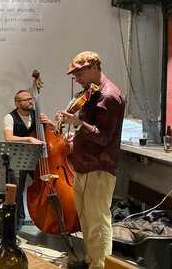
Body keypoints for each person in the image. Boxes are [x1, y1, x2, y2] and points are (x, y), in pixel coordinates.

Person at [56, 51, 125, 269]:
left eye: (79, 72)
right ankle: (91, 260)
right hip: (84, 164)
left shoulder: (110, 96)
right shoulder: (92, 92)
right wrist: (75, 135)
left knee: (98, 222)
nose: (76, 78)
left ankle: (101, 265)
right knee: (86, 219)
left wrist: (78, 123)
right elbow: (91, 130)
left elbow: (103, 137)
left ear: (94, 67)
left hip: (99, 167)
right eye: (74, 74)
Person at [3, 89, 43, 229]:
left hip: (34, 157)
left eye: (31, 99)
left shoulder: (36, 115)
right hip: (17, 158)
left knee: (44, 185)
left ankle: (42, 216)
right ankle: (16, 222)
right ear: (17, 103)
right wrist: (29, 138)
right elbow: (8, 138)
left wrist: (49, 123)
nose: (30, 101)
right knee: (17, 191)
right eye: (26, 100)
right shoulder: (10, 117)